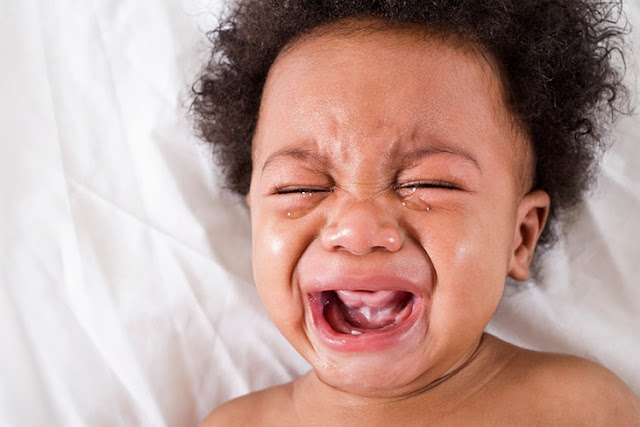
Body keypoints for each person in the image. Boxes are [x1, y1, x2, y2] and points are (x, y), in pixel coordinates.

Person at [192, 0, 640, 424]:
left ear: (519, 237)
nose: (357, 230)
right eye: (300, 187)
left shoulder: (579, 407)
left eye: (430, 184)